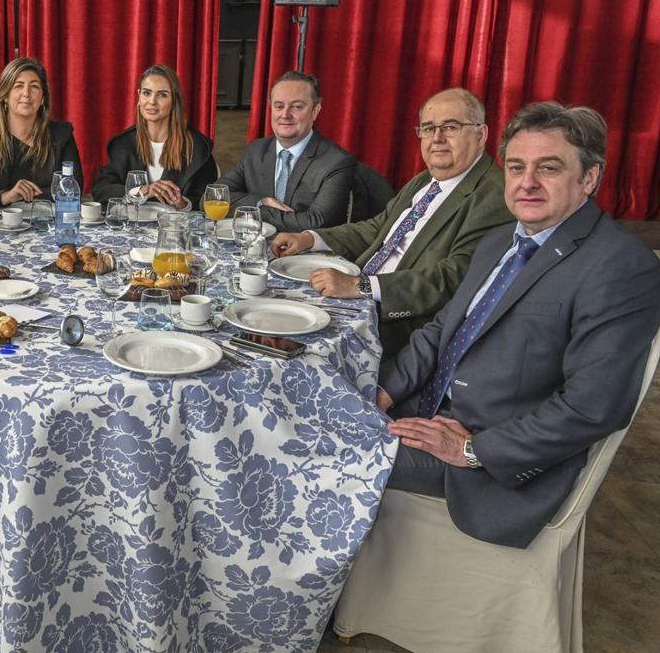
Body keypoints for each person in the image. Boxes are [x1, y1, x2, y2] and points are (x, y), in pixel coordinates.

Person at [375, 103, 660, 548]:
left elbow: (594, 406)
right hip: (426, 411)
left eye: (548, 168)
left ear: (589, 178)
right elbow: (442, 329)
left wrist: (472, 452)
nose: (527, 182)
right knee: (308, 412)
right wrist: (384, 390)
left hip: (486, 459)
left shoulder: (620, 266)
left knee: (320, 456)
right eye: (516, 167)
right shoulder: (500, 241)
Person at [270, 88, 511, 356]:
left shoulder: (493, 195)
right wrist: (309, 238)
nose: (437, 138)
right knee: (267, 308)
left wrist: (359, 287)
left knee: (285, 349)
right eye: (429, 128)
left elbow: (454, 277)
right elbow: (378, 228)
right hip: (354, 295)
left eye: (451, 127)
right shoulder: (426, 180)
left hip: (395, 325)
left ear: (481, 134)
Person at [215, 70, 356, 232]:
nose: (285, 114)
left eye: (297, 107)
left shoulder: (336, 162)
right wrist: (262, 202)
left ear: (315, 111)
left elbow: (315, 222)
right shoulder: (256, 150)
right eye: (279, 106)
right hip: (254, 248)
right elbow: (214, 197)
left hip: (306, 254)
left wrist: (256, 212)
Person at [0, 57, 83, 211]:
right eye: (18, 86)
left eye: (34, 86)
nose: (26, 93)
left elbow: (74, 189)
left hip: (46, 226)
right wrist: (5, 196)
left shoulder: (61, 135)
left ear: (43, 98)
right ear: (4, 96)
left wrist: (20, 194)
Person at [91, 64, 217, 208]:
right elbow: (101, 189)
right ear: (139, 96)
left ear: (175, 100)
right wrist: (142, 191)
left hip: (176, 227)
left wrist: (183, 204)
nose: (152, 101)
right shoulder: (123, 143)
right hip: (132, 226)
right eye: (146, 93)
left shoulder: (197, 147)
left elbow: (209, 199)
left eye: (162, 95)